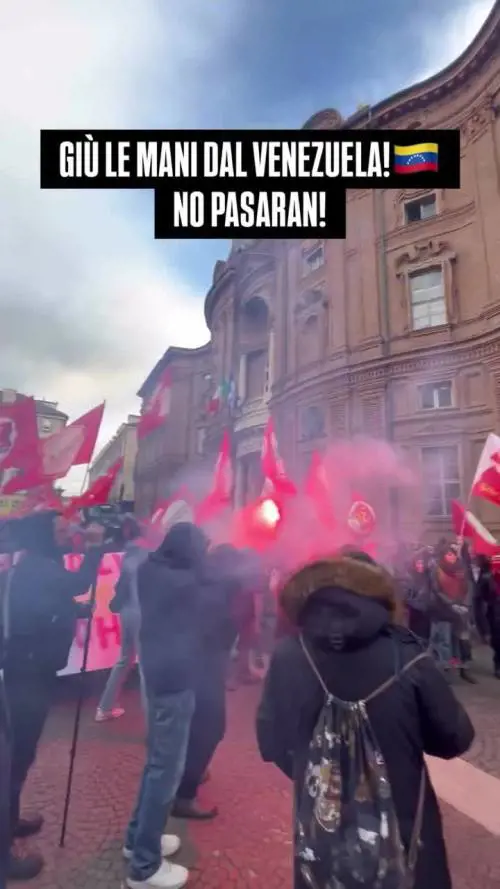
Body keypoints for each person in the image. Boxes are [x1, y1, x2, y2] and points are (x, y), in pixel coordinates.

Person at [256, 550, 474, 889]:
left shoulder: (288, 654)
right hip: (401, 835)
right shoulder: (407, 654)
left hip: (321, 829)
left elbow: (271, 740)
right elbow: (455, 738)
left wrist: (320, 768)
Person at [4, 511, 104, 881]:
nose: (66, 536)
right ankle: (3, 853)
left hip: (29, 671)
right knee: (14, 761)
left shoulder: (34, 567)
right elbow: (77, 582)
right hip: (26, 676)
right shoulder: (42, 568)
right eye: (60, 531)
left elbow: (43, 606)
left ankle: (10, 820)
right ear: (42, 535)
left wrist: (73, 611)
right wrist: (95, 548)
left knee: (20, 757)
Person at [124, 522, 208, 889]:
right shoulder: (185, 583)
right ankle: (144, 867)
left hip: (158, 674)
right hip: (174, 682)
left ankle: (138, 838)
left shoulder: (149, 568)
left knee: (156, 764)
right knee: (165, 772)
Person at [173, 544, 241, 820]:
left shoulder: (200, 584)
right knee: (211, 728)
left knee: (196, 727)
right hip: (203, 668)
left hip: (195, 666)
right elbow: (220, 633)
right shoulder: (214, 594)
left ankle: (191, 775)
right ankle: (184, 795)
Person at [95, 515, 148, 721]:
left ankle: (104, 707)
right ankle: (150, 720)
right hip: (143, 614)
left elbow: (121, 586)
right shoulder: (149, 555)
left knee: (124, 659)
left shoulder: (128, 555)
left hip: (127, 613)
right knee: (145, 666)